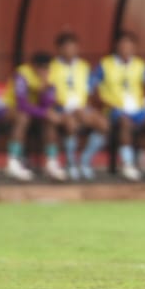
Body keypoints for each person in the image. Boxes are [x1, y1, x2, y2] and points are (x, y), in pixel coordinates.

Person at [92, 30, 145, 182]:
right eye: (123, 45)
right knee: (125, 123)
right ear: (117, 46)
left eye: (129, 46)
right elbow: (95, 92)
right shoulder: (105, 65)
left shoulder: (141, 65)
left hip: (138, 109)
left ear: (135, 48)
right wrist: (109, 103)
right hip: (115, 109)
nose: (126, 49)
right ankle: (127, 164)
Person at [51, 31, 108, 181]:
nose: (70, 51)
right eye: (67, 47)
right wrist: (68, 107)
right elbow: (49, 94)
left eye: (73, 47)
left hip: (82, 108)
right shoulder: (52, 67)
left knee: (103, 124)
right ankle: (71, 164)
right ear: (60, 49)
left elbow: (89, 92)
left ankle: (85, 161)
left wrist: (85, 109)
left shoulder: (84, 67)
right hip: (61, 109)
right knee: (70, 124)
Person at [6, 51, 64, 180]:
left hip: (34, 111)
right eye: (42, 68)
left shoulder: (50, 76)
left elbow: (47, 104)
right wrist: (44, 112)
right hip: (10, 108)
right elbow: (21, 104)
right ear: (33, 67)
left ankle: (51, 162)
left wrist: (45, 90)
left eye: (47, 68)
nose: (45, 71)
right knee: (23, 117)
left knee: (50, 120)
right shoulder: (22, 74)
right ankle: (13, 162)